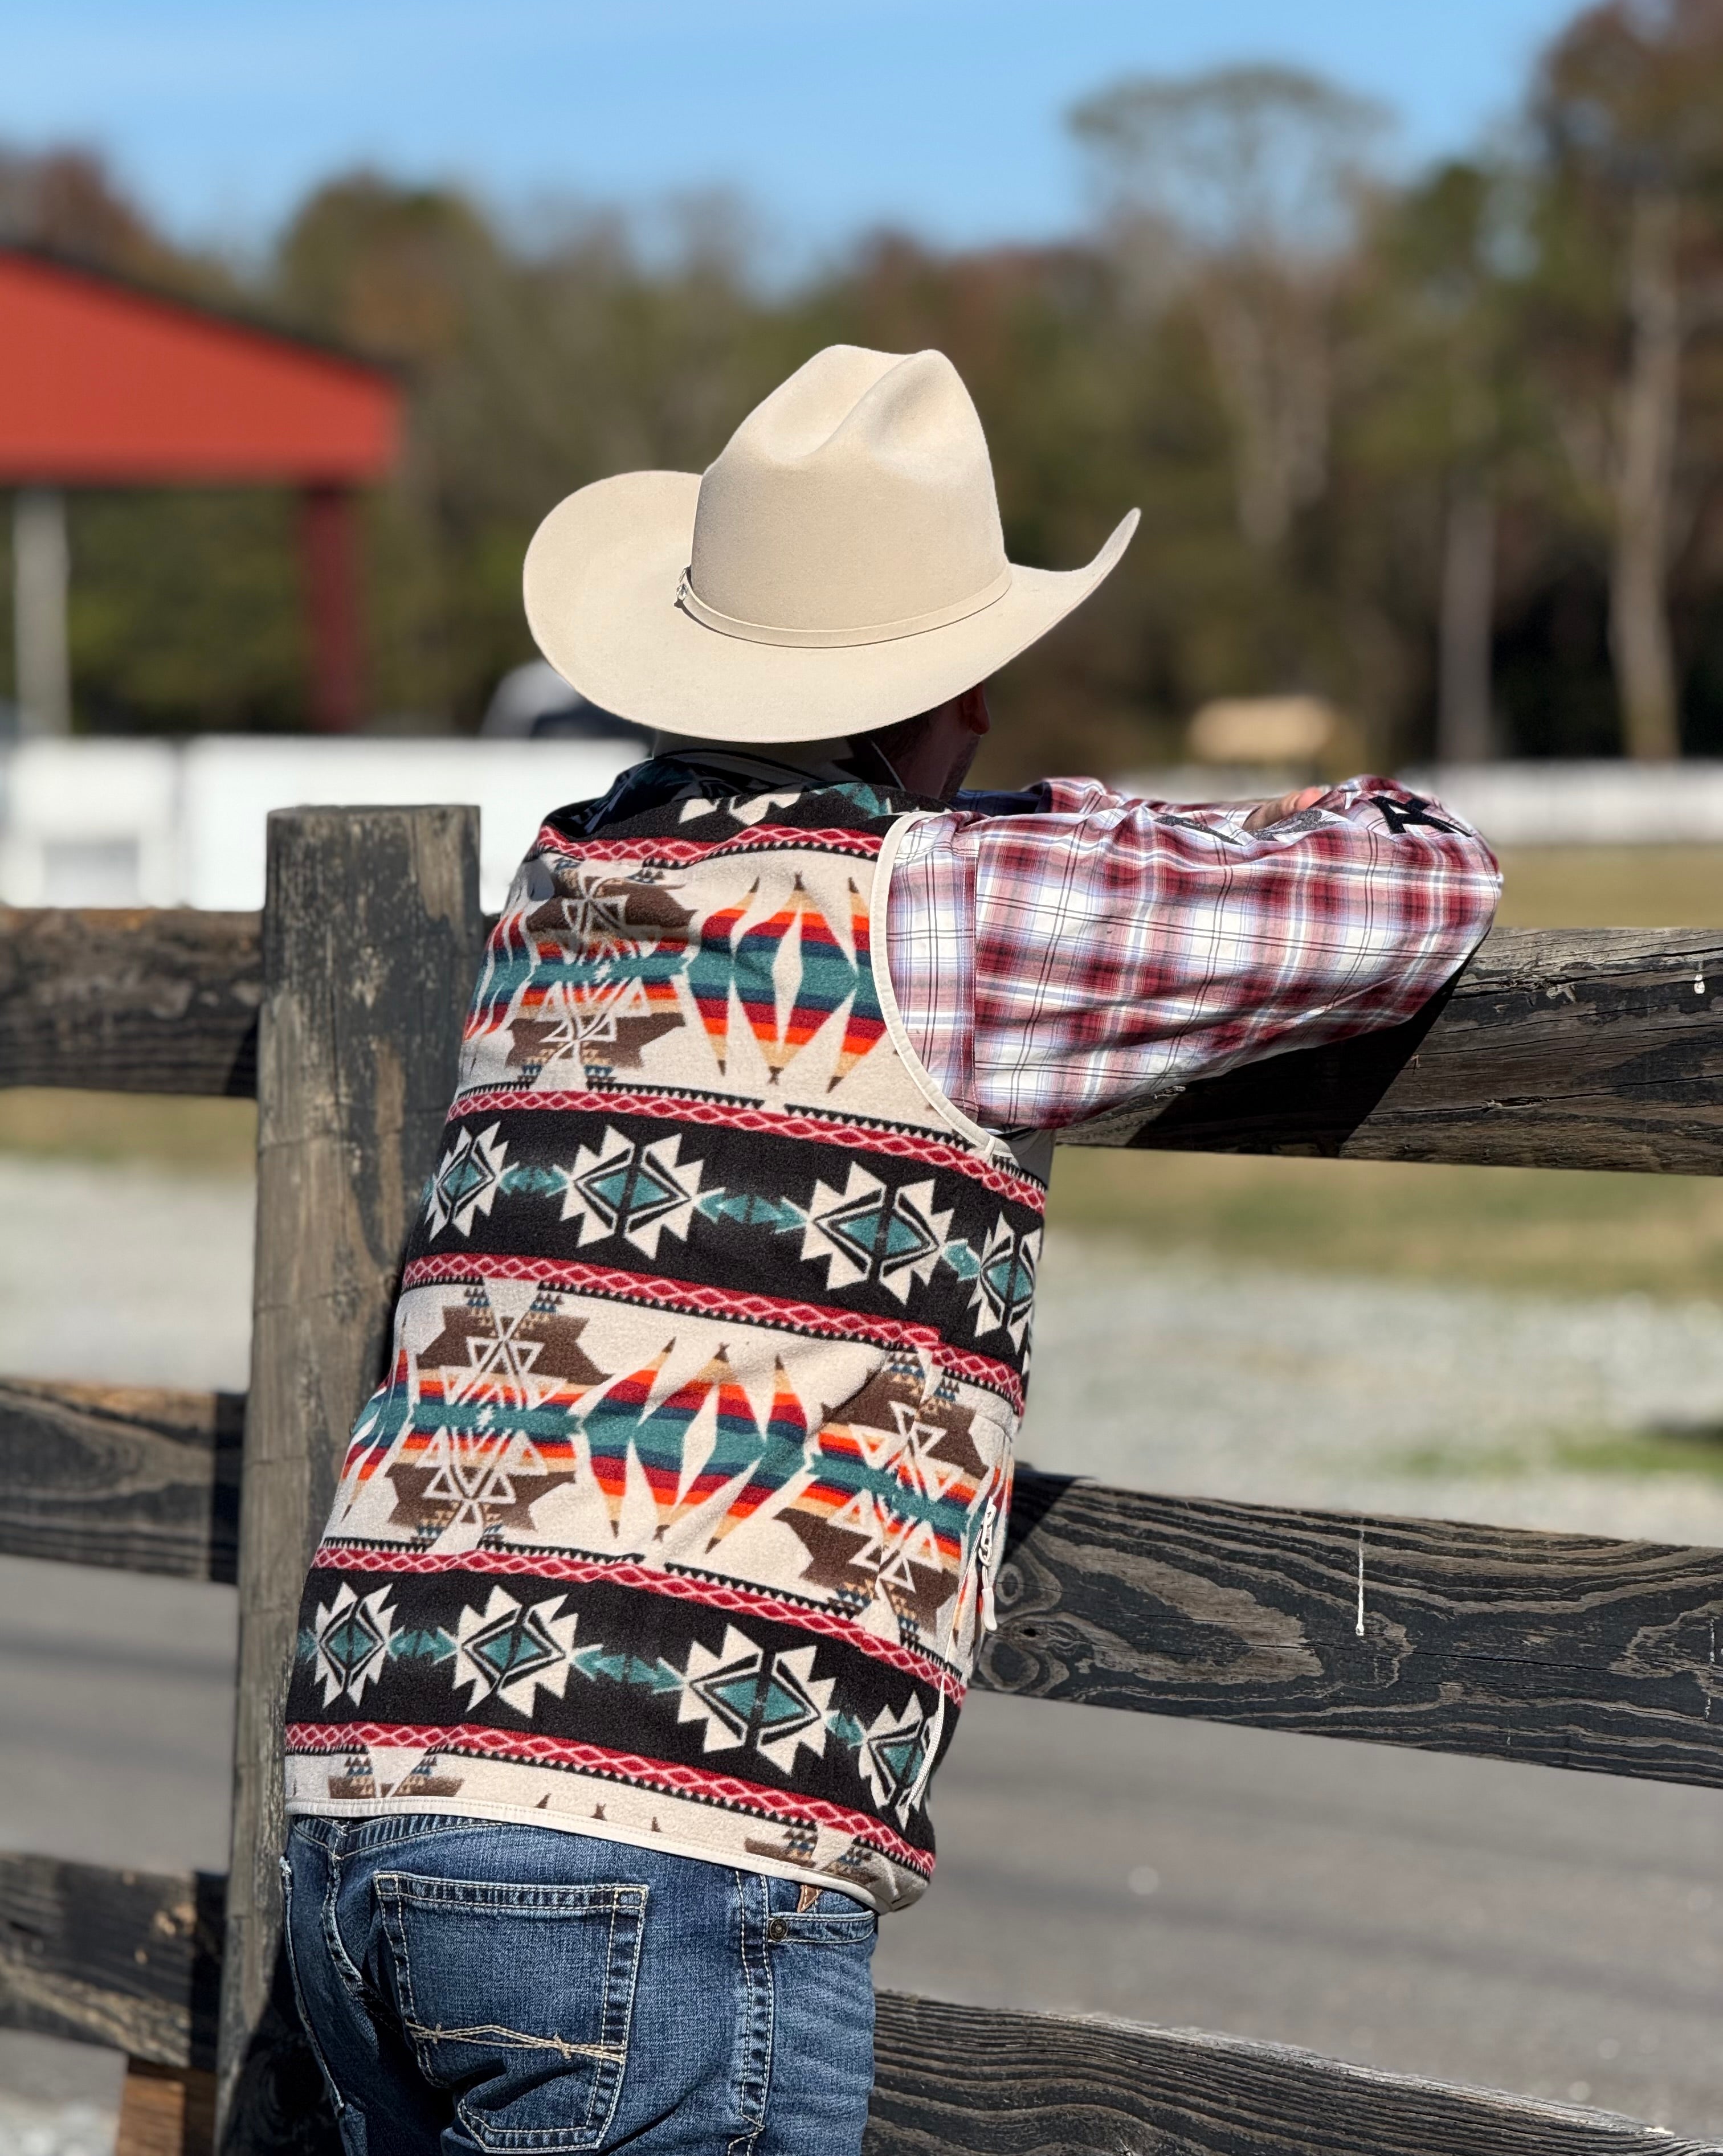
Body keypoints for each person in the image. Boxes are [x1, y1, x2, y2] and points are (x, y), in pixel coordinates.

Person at [280, 346, 1501, 2155]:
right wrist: (1091, 821)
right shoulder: (943, 904)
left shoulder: (571, 880)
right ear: (951, 690)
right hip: (660, 1827)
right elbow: (1417, 889)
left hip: (363, 1778)